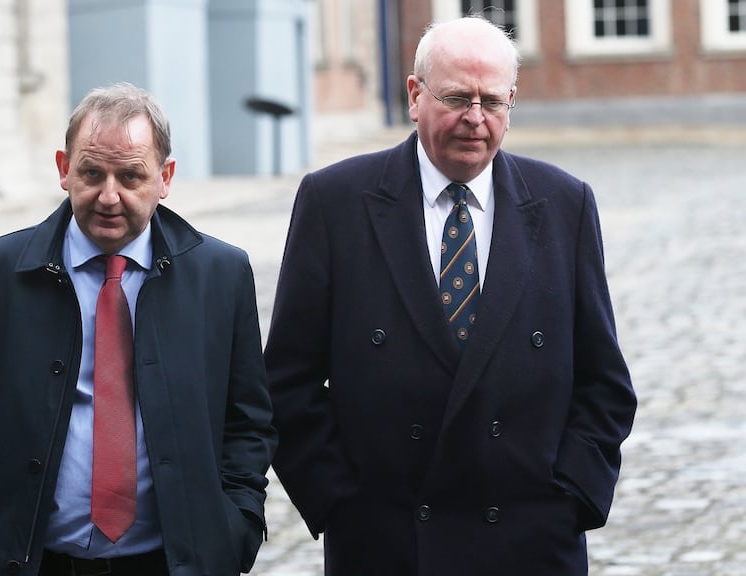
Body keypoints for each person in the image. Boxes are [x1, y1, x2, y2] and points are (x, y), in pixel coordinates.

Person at [264, 16, 636, 576]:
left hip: (530, 543)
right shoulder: (335, 203)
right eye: (457, 97)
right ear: (415, 96)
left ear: (512, 103)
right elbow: (286, 383)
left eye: (493, 101)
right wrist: (339, 504)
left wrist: (573, 497)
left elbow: (605, 382)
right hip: (387, 544)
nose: (475, 119)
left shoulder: (564, 204)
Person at [0, 82, 276, 576]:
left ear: (165, 177)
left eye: (131, 176)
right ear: (64, 169)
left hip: (173, 563)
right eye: (92, 173)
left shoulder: (221, 274)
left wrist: (235, 528)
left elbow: (248, 421)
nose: (110, 196)